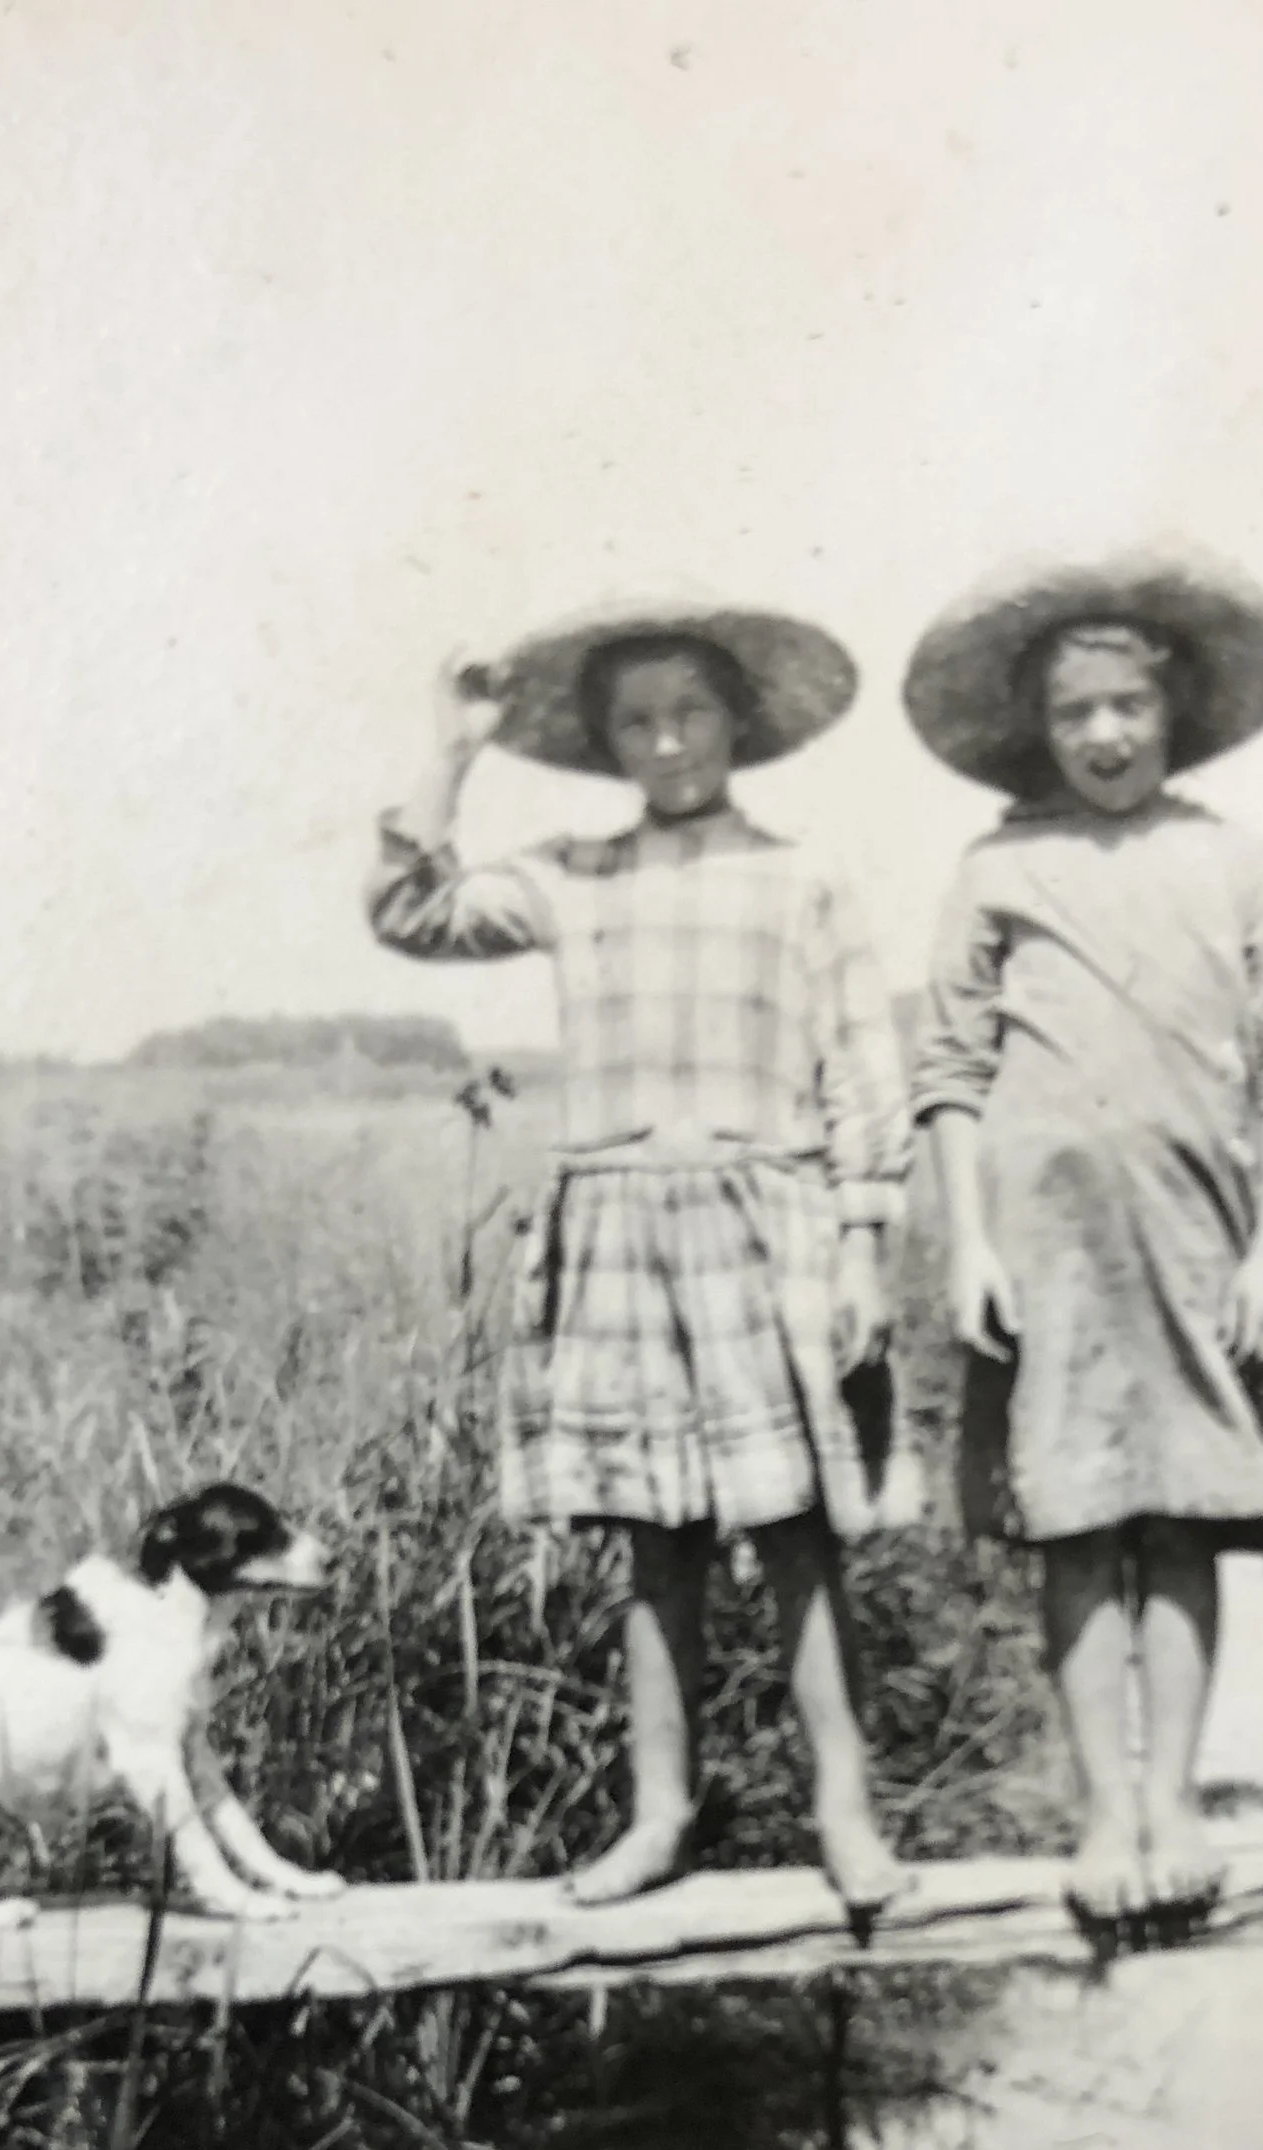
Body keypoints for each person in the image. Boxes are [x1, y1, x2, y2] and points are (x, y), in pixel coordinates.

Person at [368, 596, 914, 1917]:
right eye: (637, 723)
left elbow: (864, 1070)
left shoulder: (802, 877)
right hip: (617, 1231)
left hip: (765, 1224)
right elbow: (409, 911)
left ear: (736, 722)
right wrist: (456, 749)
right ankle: (661, 1813)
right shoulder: (573, 874)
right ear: (609, 744)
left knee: (796, 1534)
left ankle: (844, 1812)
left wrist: (860, 1249)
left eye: (690, 713)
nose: (668, 744)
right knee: (653, 1545)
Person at [903, 542, 1263, 1943]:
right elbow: (949, 1072)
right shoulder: (996, 869)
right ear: (1038, 730)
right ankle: (1106, 1809)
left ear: (1172, 713)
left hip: (1197, 1235)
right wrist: (968, 1245)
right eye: (1073, 714)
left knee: (1182, 1521)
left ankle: (1176, 1803)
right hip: (1045, 1251)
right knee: (1076, 1521)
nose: (1103, 735)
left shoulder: (1235, 862)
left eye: (1127, 707)